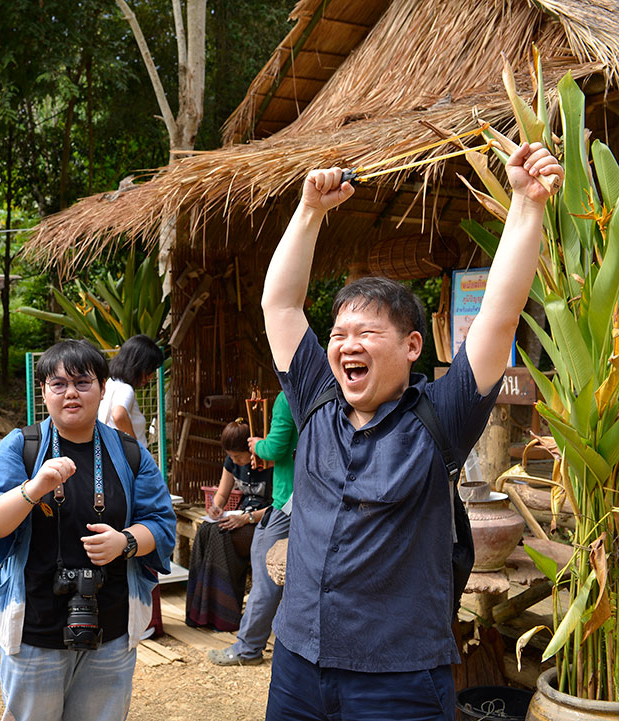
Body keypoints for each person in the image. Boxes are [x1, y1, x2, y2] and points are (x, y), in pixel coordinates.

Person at [260, 143, 562, 721]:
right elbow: (281, 305)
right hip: (298, 665)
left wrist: (527, 203)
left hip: (398, 681)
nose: (347, 344)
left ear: (411, 347)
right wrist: (310, 211)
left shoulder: (441, 417)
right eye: (339, 334)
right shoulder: (316, 402)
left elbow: (499, 315)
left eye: (366, 333)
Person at [0, 338, 175, 721]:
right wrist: (33, 490)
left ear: (103, 388)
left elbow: (162, 525)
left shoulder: (130, 453)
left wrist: (125, 541)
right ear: (43, 391)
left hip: (111, 627)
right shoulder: (22, 447)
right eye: (58, 384)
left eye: (82, 382)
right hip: (35, 627)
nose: (71, 393)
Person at [208, 391, 297, 665]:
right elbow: (221, 494)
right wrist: (217, 507)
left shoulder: (288, 397)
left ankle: (248, 648)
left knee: (266, 575)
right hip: (312, 498)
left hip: (284, 503)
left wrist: (259, 445)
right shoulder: (330, 391)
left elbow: (276, 448)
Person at [184, 419, 271, 632]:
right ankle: (202, 613)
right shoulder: (231, 462)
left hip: (265, 520)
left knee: (220, 534)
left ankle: (225, 615)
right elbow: (222, 494)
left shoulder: (271, 463)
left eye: (239, 457)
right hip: (240, 516)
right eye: (231, 457)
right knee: (205, 530)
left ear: (252, 449)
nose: (235, 461)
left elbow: (280, 507)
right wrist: (216, 507)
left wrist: (247, 518)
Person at [98, 334, 163, 447]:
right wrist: (135, 448)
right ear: (138, 366)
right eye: (149, 370)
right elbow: (119, 415)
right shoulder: (125, 389)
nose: (151, 376)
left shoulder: (111, 383)